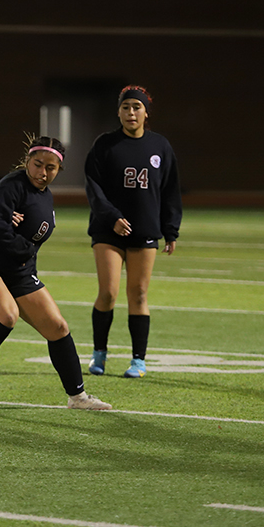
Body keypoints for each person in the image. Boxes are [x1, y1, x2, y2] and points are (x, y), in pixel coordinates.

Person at [0, 136, 112, 411]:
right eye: (38, 164)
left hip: (19, 270)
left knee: (58, 327)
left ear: (58, 169)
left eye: (50, 168)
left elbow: (29, 243)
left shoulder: (45, 196)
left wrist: (26, 258)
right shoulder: (10, 187)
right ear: (27, 161)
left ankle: (78, 397)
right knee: (6, 316)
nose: (43, 172)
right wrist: (22, 248)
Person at [85, 85, 182, 379]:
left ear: (146, 112)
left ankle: (138, 361)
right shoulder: (105, 145)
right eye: (126, 107)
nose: (131, 112)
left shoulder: (160, 147)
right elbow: (94, 187)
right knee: (109, 292)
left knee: (138, 293)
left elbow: (169, 191)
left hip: (144, 231)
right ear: (118, 111)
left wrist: (171, 229)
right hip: (108, 230)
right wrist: (112, 216)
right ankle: (99, 354)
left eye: (136, 107)